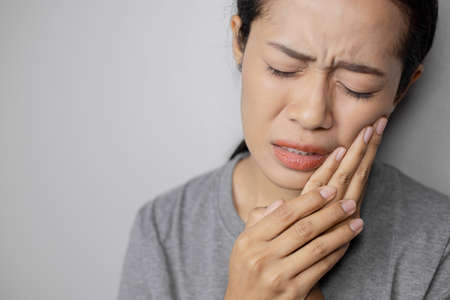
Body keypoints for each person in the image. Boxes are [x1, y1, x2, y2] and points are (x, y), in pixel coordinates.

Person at [117, 0, 449, 299]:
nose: (311, 114)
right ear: (239, 42)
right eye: (283, 67)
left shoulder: (439, 243)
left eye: (356, 87)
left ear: (402, 87)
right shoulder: (162, 229)